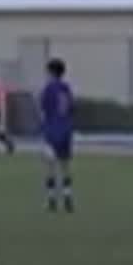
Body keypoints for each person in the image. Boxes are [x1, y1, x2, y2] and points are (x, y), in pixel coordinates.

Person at [39, 58, 77, 213]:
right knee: (65, 165)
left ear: (51, 72)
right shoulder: (66, 88)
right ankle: (68, 196)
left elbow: (44, 108)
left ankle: (51, 199)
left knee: (50, 165)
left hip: (52, 130)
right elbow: (72, 107)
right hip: (66, 130)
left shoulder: (48, 88)